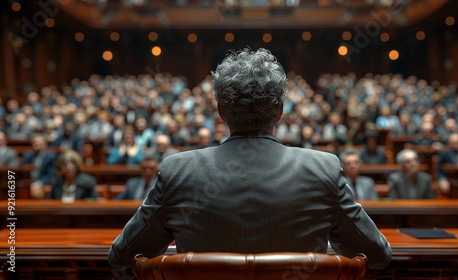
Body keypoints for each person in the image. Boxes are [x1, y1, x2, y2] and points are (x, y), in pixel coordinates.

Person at [109, 48, 391, 274]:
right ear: (280, 111)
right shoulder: (323, 168)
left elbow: (122, 255)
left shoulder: (178, 170)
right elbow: (377, 255)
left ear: (220, 111)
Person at [22, 134, 58, 199]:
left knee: (36, 191)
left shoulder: (50, 157)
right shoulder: (27, 155)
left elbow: (51, 174)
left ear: (45, 145)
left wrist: (40, 183)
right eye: (35, 145)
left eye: (40, 145)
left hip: (42, 182)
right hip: (29, 182)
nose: (38, 147)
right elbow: (24, 171)